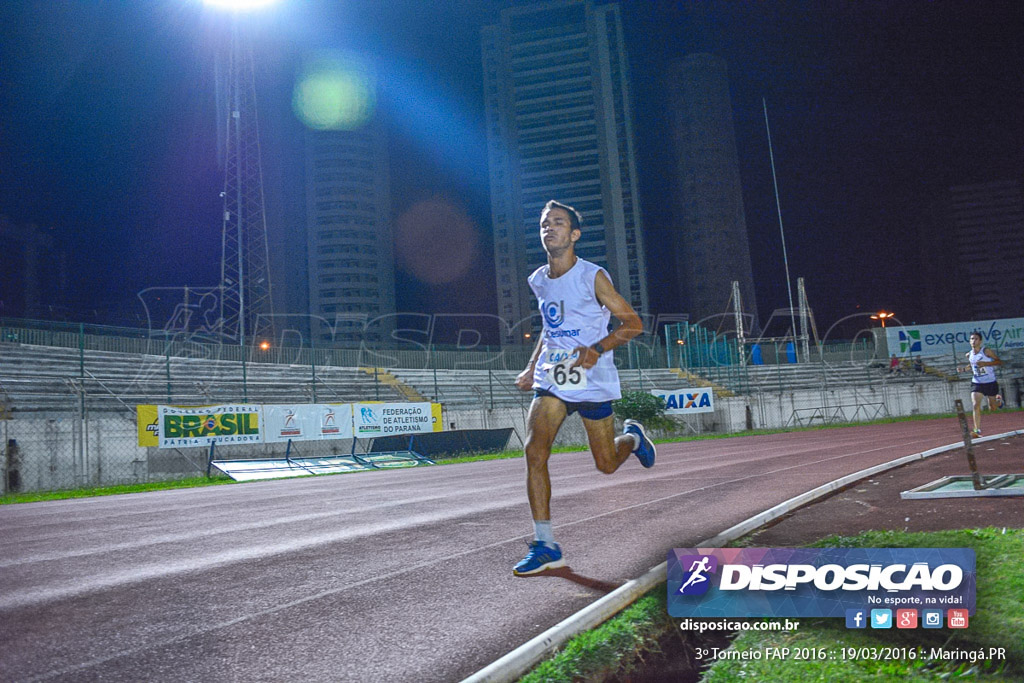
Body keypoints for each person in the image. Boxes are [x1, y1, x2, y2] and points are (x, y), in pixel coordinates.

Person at [511, 200, 655, 576]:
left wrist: (597, 349)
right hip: (554, 376)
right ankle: (546, 545)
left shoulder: (593, 276)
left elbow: (633, 323)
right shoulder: (538, 279)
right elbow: (549, 325)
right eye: (544, 224)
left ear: (574, 234)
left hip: (592, 377)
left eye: (558, 223)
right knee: (534, 451)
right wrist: (530, 367)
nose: (549, 229)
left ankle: (634, 439)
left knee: (606, 464)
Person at [956, 331, 1003, 437]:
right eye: (971, 339)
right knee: (975, 405)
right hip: (977, 382)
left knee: (992, 408)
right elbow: (972, 365)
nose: (973, 341)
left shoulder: (986, 351)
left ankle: (999, 402)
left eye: (976, 339)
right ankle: (977, 430)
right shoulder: (969, 354)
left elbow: (999, 361)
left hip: (990, 382)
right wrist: (963, 369)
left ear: (980, 341)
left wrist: (985, 364)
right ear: (969, 341)